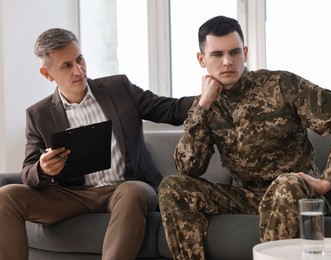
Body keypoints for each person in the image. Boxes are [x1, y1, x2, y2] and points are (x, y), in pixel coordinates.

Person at [158, 15, 331, 260]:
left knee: (286, 184)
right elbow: (188, 168)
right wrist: (203, 106)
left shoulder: (281, 84)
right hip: (248, 198)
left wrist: (327, 181)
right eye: (217, 55)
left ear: (246, 52)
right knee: (172, 187)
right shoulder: (206, 106)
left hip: (297, 193)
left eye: (235, 52)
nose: (228, 62)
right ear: (201, 59)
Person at [0, 28, 194, 260]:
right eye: (66, 65)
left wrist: (209, 98)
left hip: (127, 187)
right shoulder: (38, 114)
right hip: (74, 195)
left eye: (79, 59)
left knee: (131, 191)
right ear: (47, 73)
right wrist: (42, 169)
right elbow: (28, 171)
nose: (78, 70)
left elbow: (170, 109)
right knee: (7, 196)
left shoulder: (118, 88)